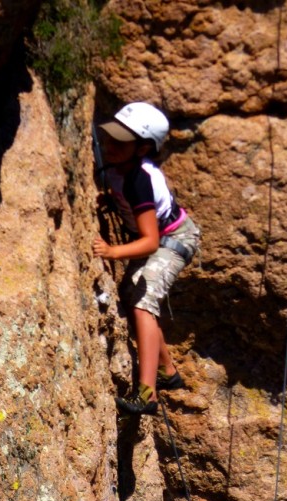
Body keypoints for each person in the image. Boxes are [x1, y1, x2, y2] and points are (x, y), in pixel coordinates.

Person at [92, 102, 200, 415]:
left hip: (174, 239)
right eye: (110, 138)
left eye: (121, 142)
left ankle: (147, 396)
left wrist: (112, 252)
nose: (110, 146)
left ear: (142, 149)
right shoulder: (119, 169)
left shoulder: (139, 181)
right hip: (159, 237)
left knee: (142, 303)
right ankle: (167, 371)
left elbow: (151, 242)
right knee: (132, 293)